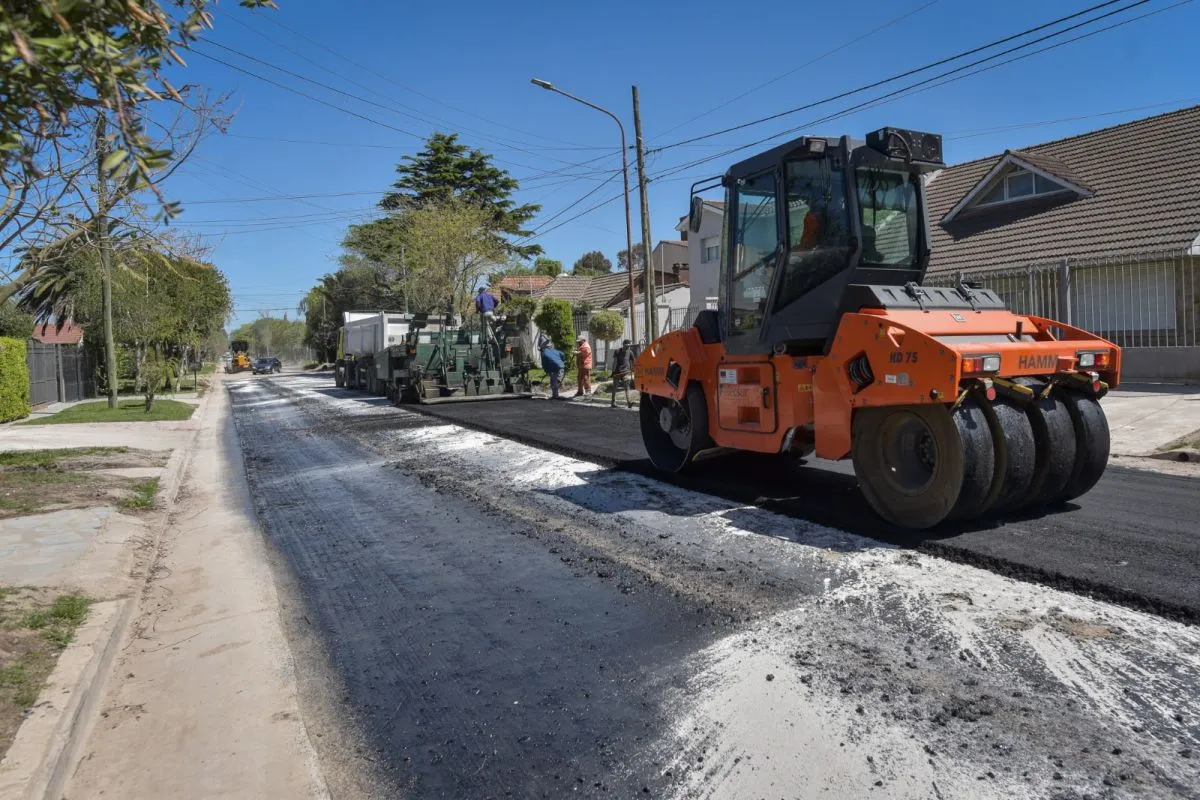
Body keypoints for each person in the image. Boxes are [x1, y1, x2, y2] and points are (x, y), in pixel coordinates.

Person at [609, 339, 634, 408]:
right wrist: (613, 372)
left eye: (629, 346)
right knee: (615, 387)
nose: (628, 347)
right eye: (627, 346)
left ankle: (629, 402)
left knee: (627, 387)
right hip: (617, 372)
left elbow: (632, 362)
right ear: (623, 345)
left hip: (626, 372)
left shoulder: (630, 352)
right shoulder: (617, 351)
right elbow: (615, 362)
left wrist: (632, 369)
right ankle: (613, 402)